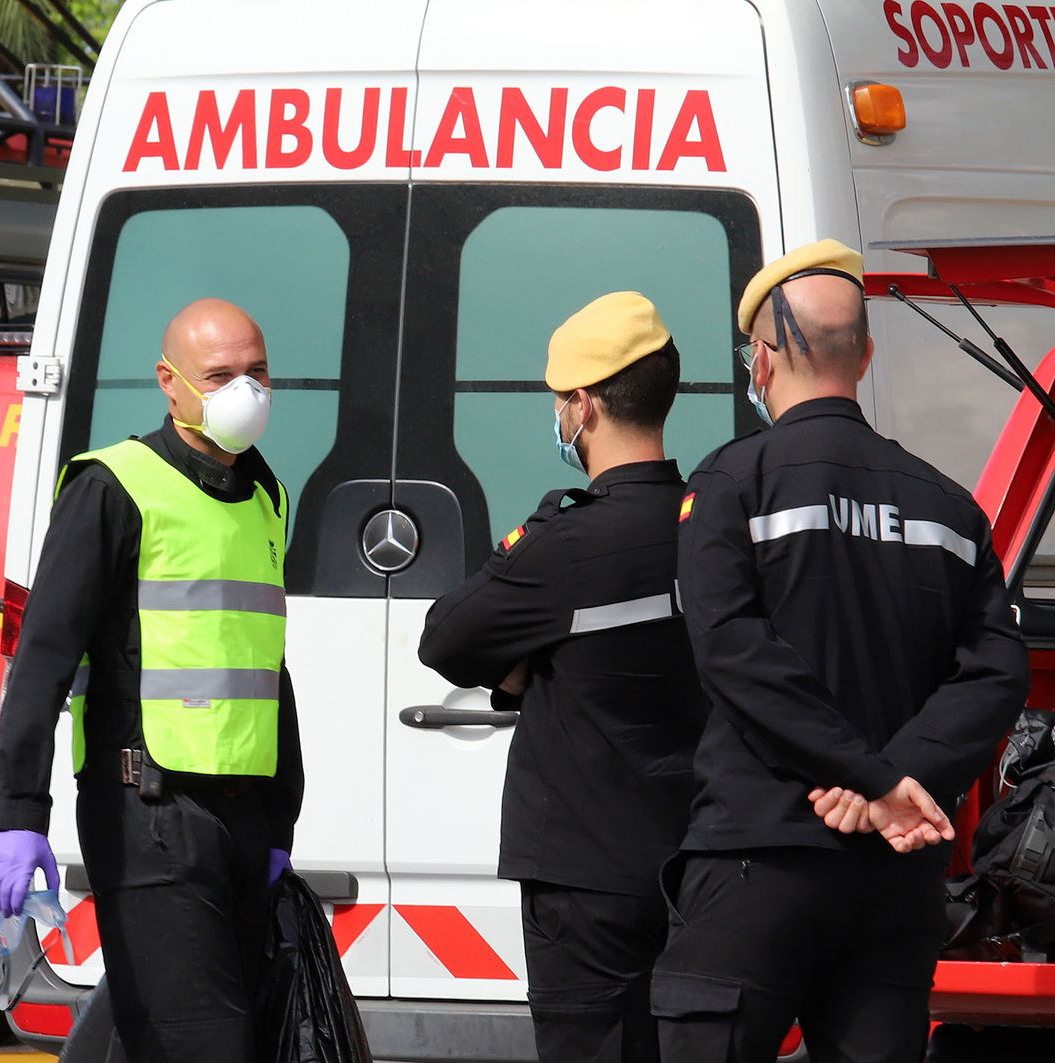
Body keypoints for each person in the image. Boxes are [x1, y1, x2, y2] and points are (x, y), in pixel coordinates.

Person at [651, 240, 1030, 1061]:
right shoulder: (947, 506)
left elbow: (736, 654)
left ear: (764, 355)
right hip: (892, 886)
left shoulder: (732, 485)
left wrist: (877, 780)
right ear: (863, 352)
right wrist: (902, 777)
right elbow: (998, 667)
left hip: (761, 860)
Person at [0, 298, 304, 1062]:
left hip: (243, 818)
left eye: (257, 371)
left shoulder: (264, 496)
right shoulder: (113, 486)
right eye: (221, 375)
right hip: (149, 813)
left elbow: (263, 663)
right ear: (170, 381)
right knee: (205, 1046)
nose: (245, 390)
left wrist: (281, 817)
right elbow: (42, 663)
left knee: (174, 1039)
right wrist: (18, 811)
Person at [419, 292, 709, 1063]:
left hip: (586, 882)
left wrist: (526, 665)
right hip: (705, 865)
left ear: (581, 406)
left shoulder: (563, 542)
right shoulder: (713, 523)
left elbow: (444, 638)